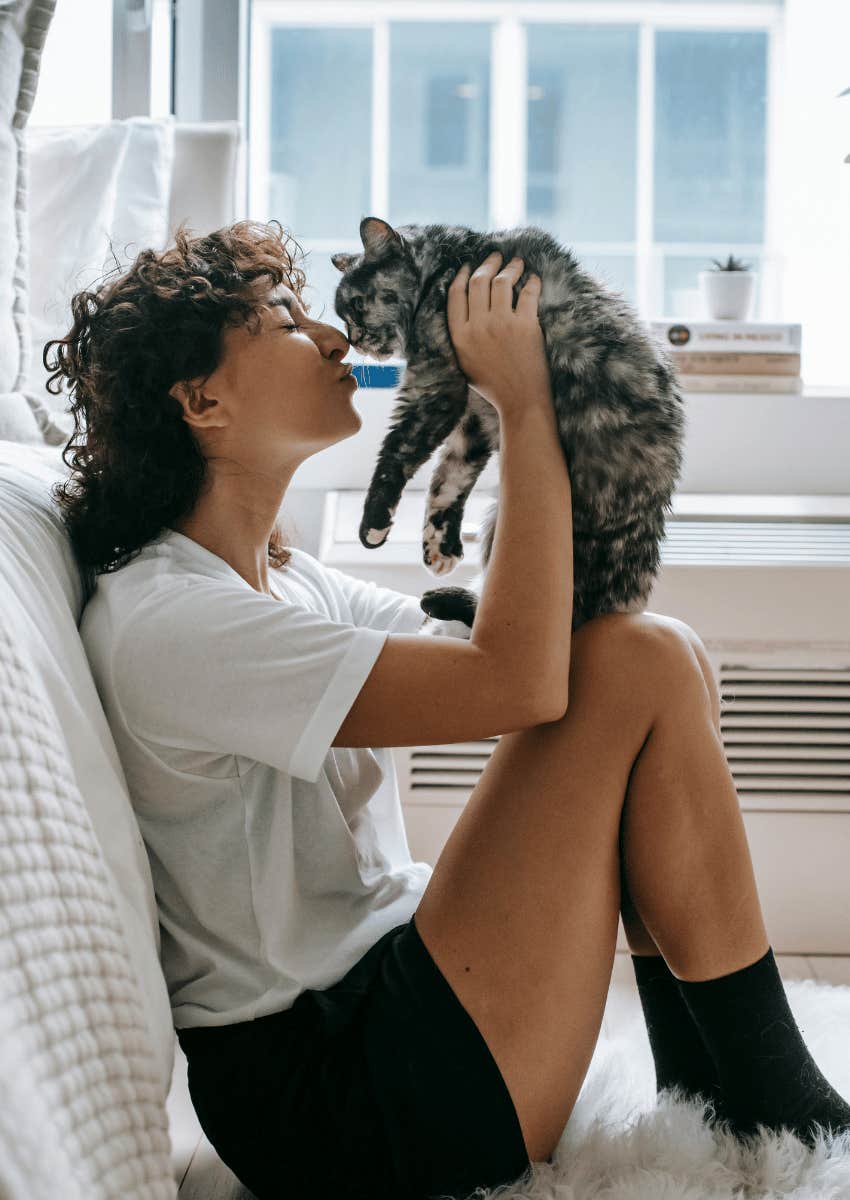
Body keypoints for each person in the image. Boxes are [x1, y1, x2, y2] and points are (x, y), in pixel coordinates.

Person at [49, 219, 850, 1200]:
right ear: (200, 399)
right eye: (285, 322)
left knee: (658, 653)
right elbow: (518, 684)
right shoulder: (173, 620)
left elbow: (522, 651)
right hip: (336, 1097)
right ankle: (772, 1093)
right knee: (637, 660)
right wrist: (524, 403)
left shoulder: (281, 581)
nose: (333, 339)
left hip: (388, 1005)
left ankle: (723, 1083)